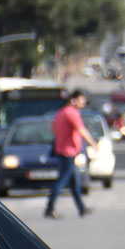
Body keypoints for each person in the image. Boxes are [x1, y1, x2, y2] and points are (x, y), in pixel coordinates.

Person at [45, 90, 98, 219]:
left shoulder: (61, 112)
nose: (83, 102)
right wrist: (93, 144)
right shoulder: (72, 113)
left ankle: (81, 208)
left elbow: (52, 130)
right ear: (73, 100)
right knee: (62, 180)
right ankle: (50, 207)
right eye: (81, 100)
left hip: (63, 150)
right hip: (68, 151)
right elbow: (81, 130)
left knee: (74, 182)